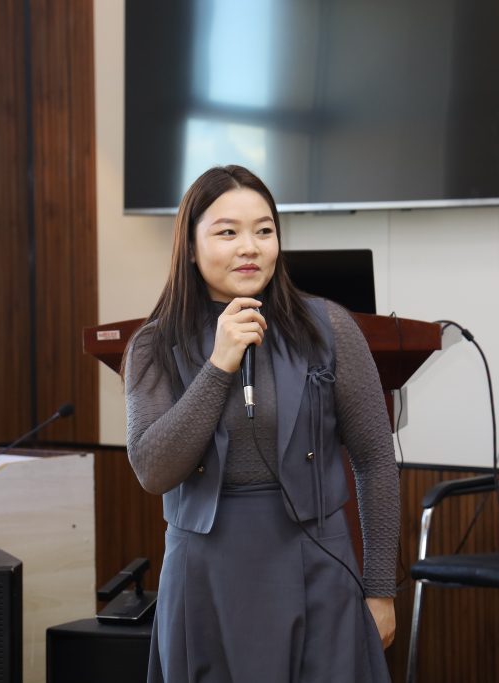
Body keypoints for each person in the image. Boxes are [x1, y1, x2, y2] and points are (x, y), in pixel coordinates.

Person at [124, 165, 400, 683]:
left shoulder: (328, 328)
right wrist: (218, 366)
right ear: (190, 247)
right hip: (206, 575)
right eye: (227, 232)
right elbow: (153, 470)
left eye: (264, 230)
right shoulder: (153, 345)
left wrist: (381, 590)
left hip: (317, 563)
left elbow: (375, 460)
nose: (249, 247)